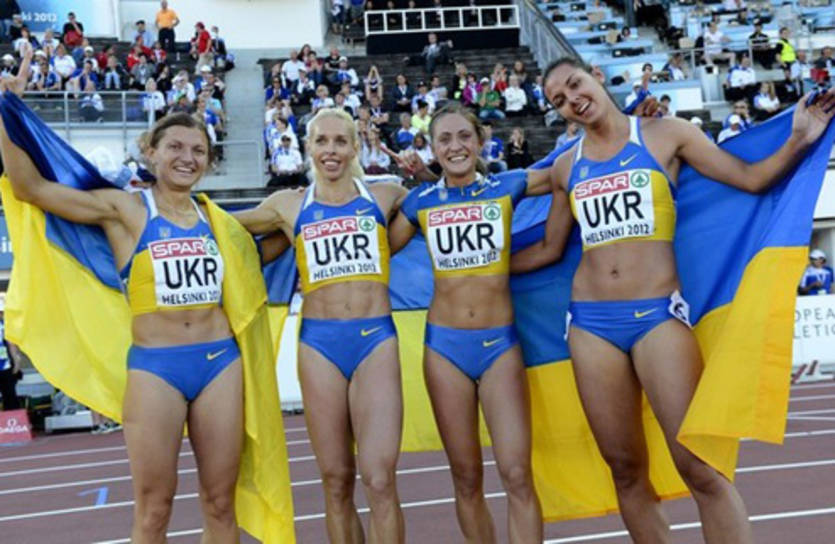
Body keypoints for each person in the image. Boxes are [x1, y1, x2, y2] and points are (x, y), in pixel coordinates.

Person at [520, 55, 835, 544]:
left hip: (657, 317)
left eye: (576, 84)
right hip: (589, 325)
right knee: (625, 469)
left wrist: (799, 138)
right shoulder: (565, 166)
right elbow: (547, 248)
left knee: (700, 466)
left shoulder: (666, 134)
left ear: (597, 77)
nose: (572, 100)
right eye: (559, 100)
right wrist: (468, 271)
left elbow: (751, 179)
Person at [0, 49, 248, 541]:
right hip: (156, 369)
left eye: (198, 151)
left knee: (222, 504)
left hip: (221, 363)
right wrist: (7, 111)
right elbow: (29, 188)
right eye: (175, 147)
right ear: (150, 151)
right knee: (154, 508)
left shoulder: (218, 221)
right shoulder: (125, 210)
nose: (187, 158)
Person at [386, 103, 560, 544]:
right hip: (445, 350)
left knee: (517, 473)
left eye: (464, 136)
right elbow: (375, 253)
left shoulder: (508, 185)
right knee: (465, 477)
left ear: (481, 140)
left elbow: (568, 172)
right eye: (444, 139)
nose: (456, 146)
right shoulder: (419, 202)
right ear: (432, 148)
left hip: (500, 346)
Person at [233, 107, 408, 543]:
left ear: (355, 147)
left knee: (380, 479)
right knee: (335, 480)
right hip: (318, 347)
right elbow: (218, 229)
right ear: (308, 147)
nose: (331, 150)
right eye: (322, 141)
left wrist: (426, 172)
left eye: (340, 141)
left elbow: (446, 203)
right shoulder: (287, 205)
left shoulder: (386, 195)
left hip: (374, 341)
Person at [0, 304, 21, 411]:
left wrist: (16, 362)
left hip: (5, 366)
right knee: (10, 398)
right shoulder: (4, 325)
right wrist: (16, 362)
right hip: (5, 367)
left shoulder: (4, 325)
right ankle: (12, 417)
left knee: (10, 397)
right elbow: (11, 344)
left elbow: (10, 344)